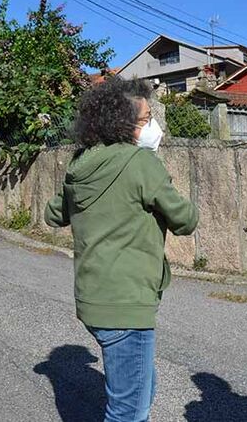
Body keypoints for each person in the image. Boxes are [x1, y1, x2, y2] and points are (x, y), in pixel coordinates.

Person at [45, 77, 198, 422]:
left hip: (92, 299)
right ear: (122, 123)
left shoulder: (79, 164)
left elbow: (53, 214)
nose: (152, 127)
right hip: (126, 304)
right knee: (128, 413)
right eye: (145, 120)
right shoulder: (141, 164)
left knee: (142, 389)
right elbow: (186, 220)